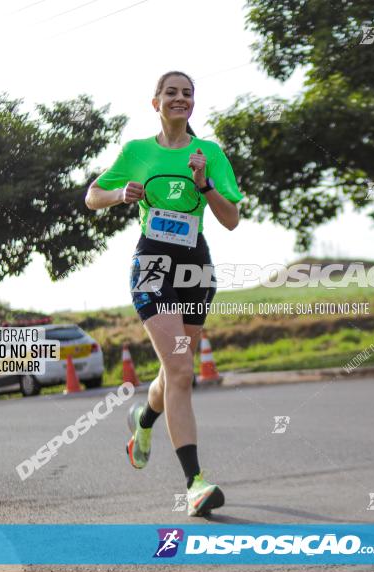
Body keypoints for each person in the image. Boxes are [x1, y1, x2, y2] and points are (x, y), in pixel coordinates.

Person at [85, 71, 243, 517]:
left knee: (175, 371)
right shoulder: (137, 151)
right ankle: (195, 482)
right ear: (155, 102)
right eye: (171, 92)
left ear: (193, 104)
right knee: (179, 369)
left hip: (194, 267)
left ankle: (144, 419)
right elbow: (91, 195)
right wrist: (119, 194)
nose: (180, 98)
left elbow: (231, 219)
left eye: (187, 93)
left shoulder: (208, 153)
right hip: (152, 266)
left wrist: (205, 184)